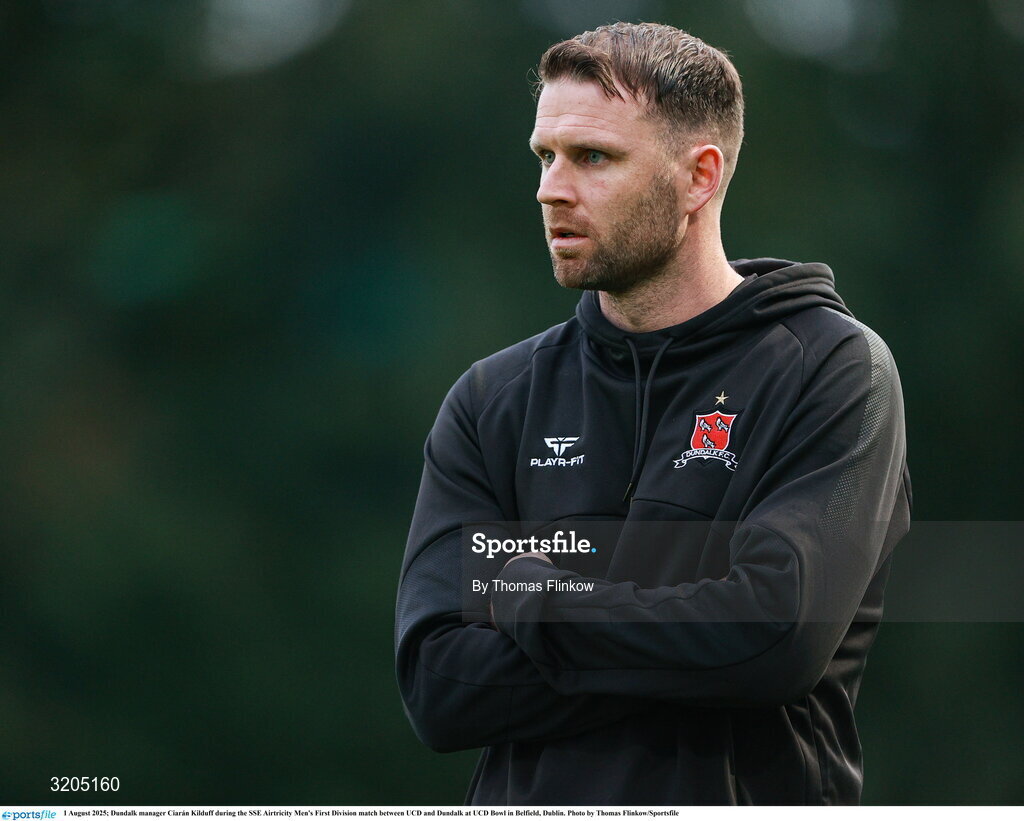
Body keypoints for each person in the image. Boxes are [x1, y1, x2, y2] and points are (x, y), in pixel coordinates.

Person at [395, 22, 911, 805]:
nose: (551, 188)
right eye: (546, 155)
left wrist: (535, 593)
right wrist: (698, 616)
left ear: (699, 175)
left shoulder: (832, 370)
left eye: (593, 157)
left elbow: (773, 641)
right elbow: (440, 684)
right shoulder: (491, 400)